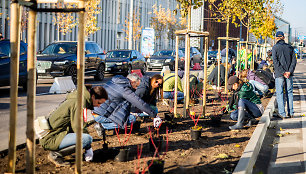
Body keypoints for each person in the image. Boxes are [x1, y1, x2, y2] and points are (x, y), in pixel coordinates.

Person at [40, 86, 108, 166]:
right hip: (51, 138)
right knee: (86, 139)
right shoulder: (78, 103)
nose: (99, 106)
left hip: (54, 134)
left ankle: (60, 152)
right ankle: (55, 155)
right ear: (93, 97)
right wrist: (88, 147)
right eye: (99, 102)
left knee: (85, 138)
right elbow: (78, 127)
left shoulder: (78, 98)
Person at [93, 73, 157, 130]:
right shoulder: (125, 90)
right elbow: (139, 103)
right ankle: (103, 126)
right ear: (133, 82)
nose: (136, 88)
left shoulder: (115, 81)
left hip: (95, 111)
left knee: (125, 116)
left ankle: (103, 123)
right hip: (101, 115)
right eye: (136, 86)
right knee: (132, 119)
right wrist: (153, 114)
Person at [272, 31, 297, 118]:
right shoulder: (290, 47)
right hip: (289, 74)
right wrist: (289, 71)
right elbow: (294, 61)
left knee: (279, 92)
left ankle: (282, 113)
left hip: (280, 74)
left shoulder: (275, 47)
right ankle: (291, 112)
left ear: (276, 38)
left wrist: (283, 72)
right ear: (283, 37)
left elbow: (275, 62)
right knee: (289, 92)